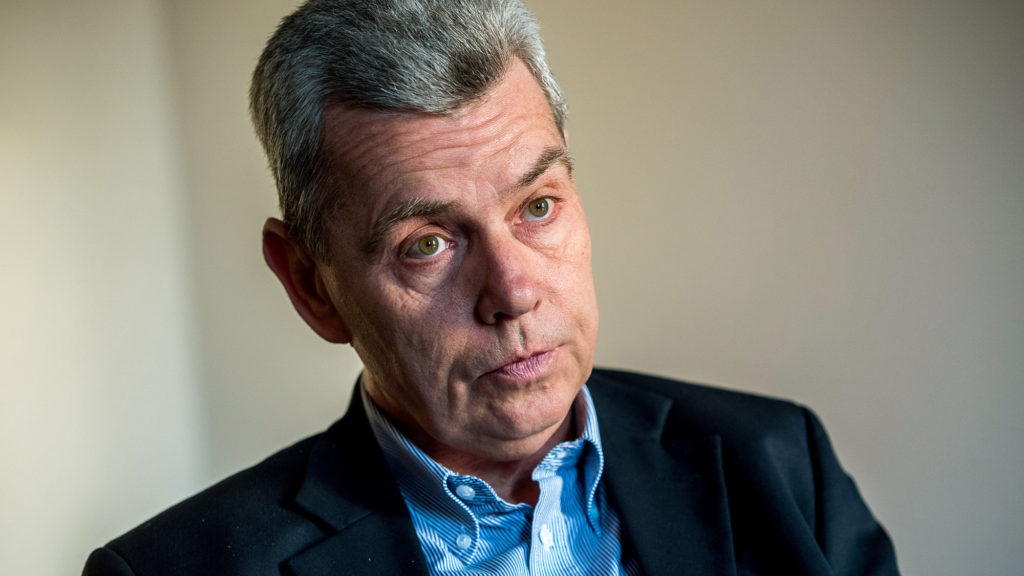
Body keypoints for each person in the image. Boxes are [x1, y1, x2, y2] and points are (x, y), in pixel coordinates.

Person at [83, 0, 899, 574]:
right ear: (311, 285)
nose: (513, 293)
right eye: (426, 244)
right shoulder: (172, 570)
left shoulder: (780, 465)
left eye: (537, 206)